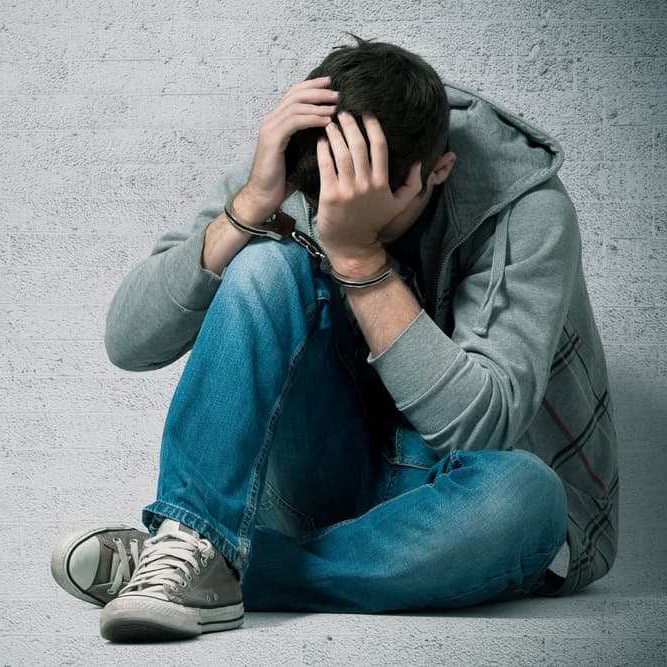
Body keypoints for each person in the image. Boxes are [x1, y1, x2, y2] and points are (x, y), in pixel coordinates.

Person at [49, 36, 619, 643]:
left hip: (452, 499)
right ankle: (193, 542)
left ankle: (200, 565)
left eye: (373, 204)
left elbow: (481, 428)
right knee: (265, 265)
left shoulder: (524, 208)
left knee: (526, 496)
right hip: (324, 477)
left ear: (438, 172)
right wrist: (248, 208)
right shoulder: (302, 162)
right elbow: (128, 343)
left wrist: (357, 253)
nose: (330, 213)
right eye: (323, 202)